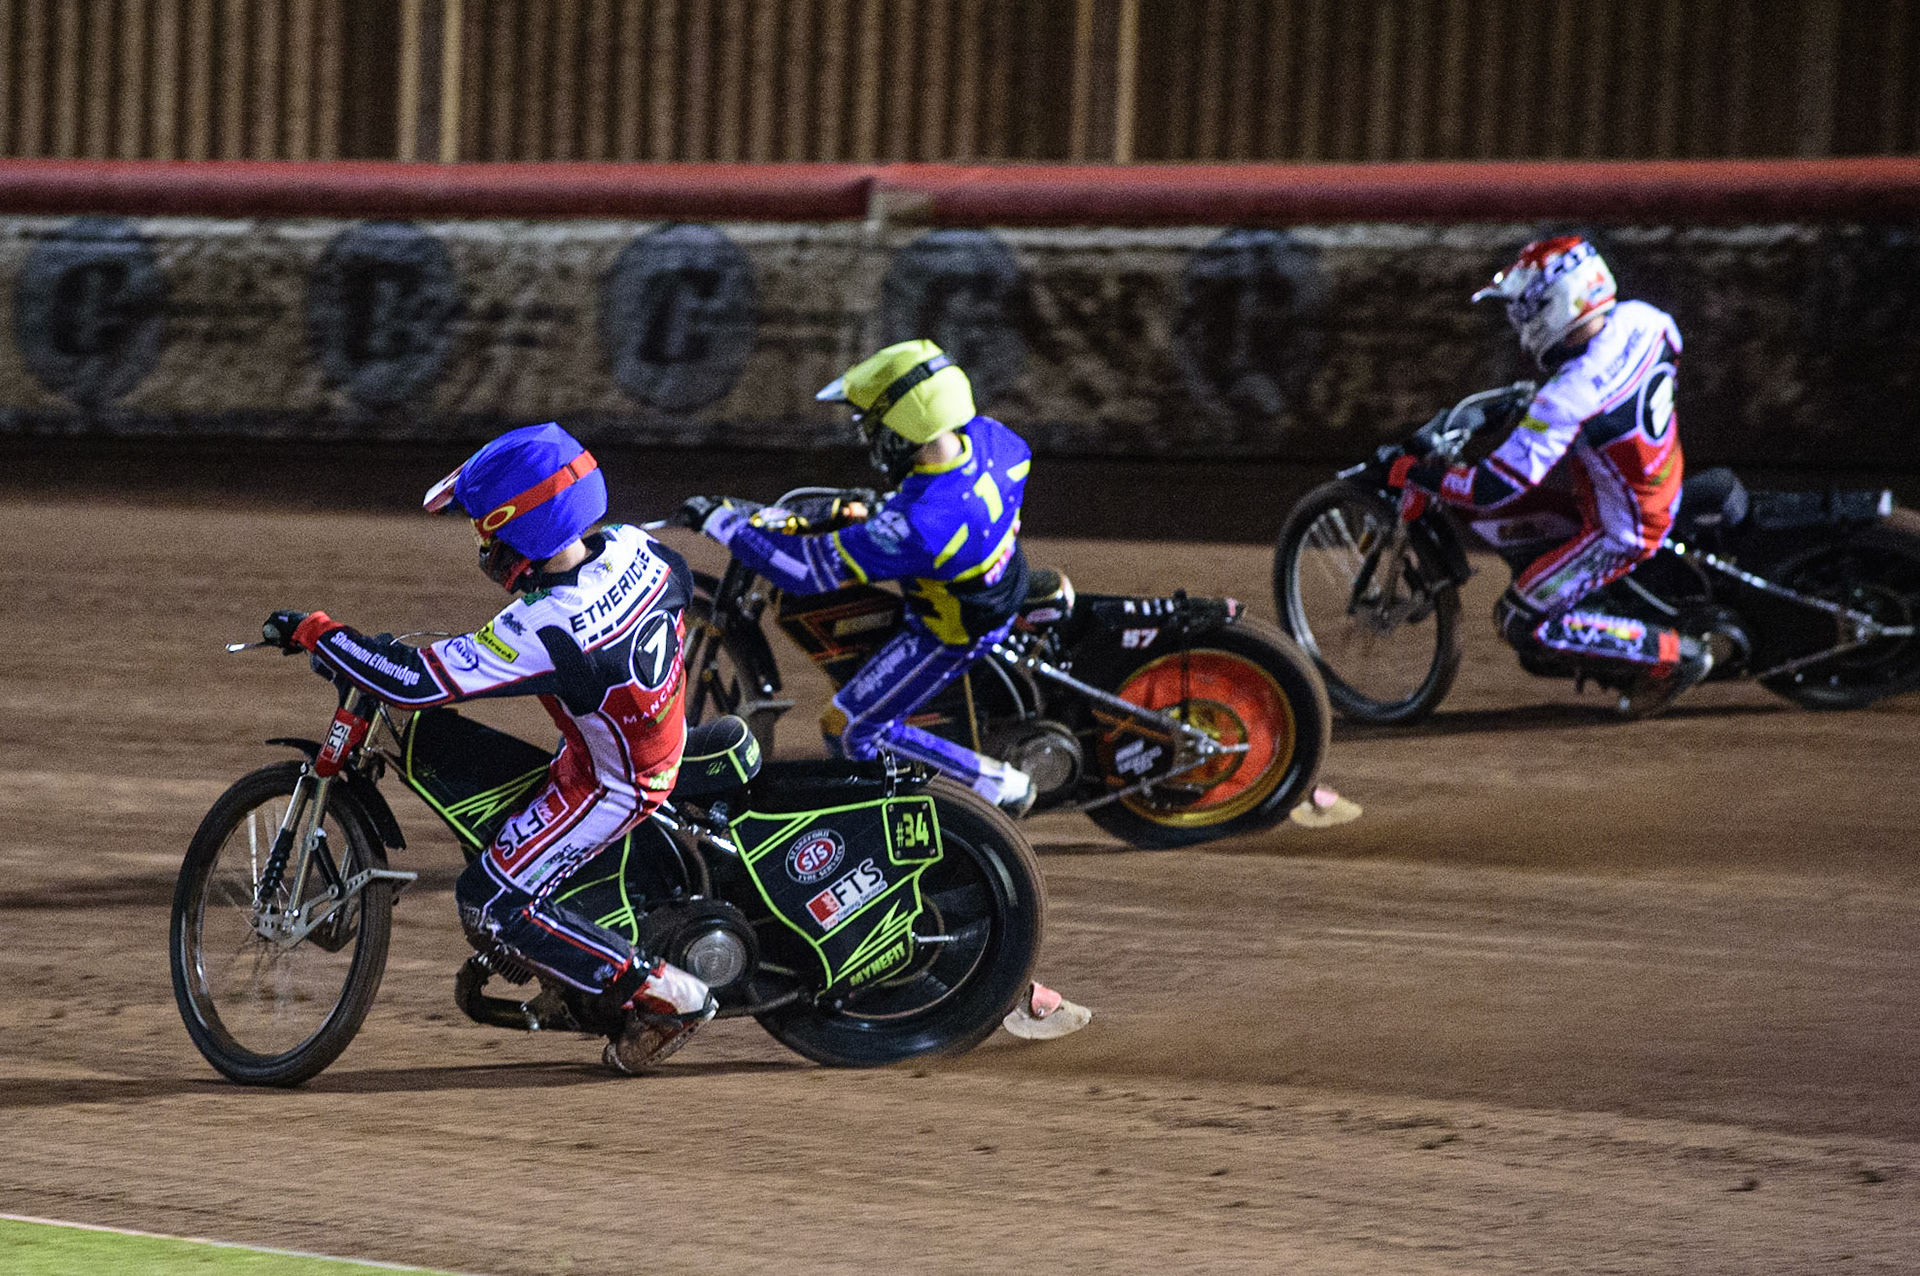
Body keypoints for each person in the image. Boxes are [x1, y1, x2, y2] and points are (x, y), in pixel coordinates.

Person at [262, 422, 715, 1074]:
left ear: (521, 526)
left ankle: (669, 997)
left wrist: (318, 633)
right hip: (641, 737)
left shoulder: (545, 625)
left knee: (489, 902)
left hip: (613, 785)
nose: (482, 540)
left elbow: (416, 683)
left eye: (486, 527)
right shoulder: (633, 547)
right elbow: (677, 586)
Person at [674, 339, 1037, 813]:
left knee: (847, 727)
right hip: (998, 575)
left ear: (904, 425)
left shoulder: (921, 525)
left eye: (872, 424)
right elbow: (939, 500)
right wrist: (866, 509)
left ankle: (995, 784)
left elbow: (806, 571)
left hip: (951, 629)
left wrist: (723, 523)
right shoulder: (997, 439)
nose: (867, 436)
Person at [1388, 235, 1711, 716]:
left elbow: (1493, 488)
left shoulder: (1566, 397)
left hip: (1622, 531)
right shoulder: (1646, 320)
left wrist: (1418, 474)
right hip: (1661, 480)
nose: (1518, 321)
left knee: (1518, 621)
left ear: (1554, 306)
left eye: (1524, 308)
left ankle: (1676, 655)